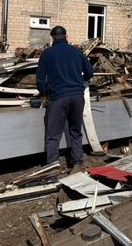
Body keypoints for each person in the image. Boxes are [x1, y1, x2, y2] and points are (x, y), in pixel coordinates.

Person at [36, 25, 94, 173]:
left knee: (53, 135)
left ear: (52, 38)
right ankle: (77, 162)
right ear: (66, 37)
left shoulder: (47, 54)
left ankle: (53, 167)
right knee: (75, 131)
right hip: (77, 97)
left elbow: (40, 79)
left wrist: (45, 93)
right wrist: (82, 80)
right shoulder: (76, 52)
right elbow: (89, 72)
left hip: (58, 98)